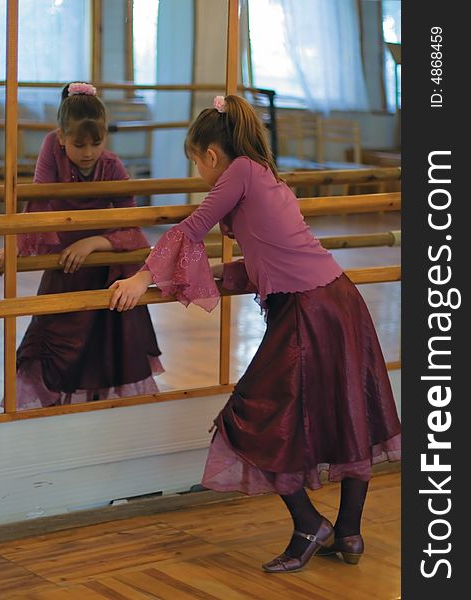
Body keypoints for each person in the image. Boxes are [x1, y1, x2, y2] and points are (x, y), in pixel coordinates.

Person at [108, 95, 401, 573]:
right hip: (338, 301)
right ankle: (348, 532)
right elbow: (274, 253)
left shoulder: (238, 172)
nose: (199, 173)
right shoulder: (264, 174)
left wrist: (142, 277)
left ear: (209, 155)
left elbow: (192, 227)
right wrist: (219, 275)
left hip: (308, 311)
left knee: (251, 416)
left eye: (194, 163)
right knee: (348, 411)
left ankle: (311, 525)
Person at [0, 82, 162, 409]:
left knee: (107, 342)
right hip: (66, 263)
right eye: (79, 144)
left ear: (105, 137)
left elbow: (134, 225)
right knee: (53, 335)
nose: (88, 152)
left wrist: (95, 242)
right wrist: (16, 250)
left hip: (107, 263)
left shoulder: (112, 166)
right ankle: (59, 409)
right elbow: (39, 203)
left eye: (96, 142)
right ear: (62, 136)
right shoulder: (51, 149)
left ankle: (99, 410)